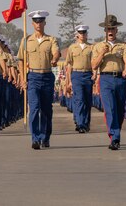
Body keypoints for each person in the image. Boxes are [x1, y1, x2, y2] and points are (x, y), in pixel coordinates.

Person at [18, 10, 59, 150]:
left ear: (45, 23)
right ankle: (35, 138)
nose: (38, 24)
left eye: (41, 21)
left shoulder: (51, 39)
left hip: (47, 76)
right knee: (34, 108)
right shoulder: (26, 41)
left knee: (46, 110)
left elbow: (56, 52)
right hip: (33, 77)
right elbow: (21, 61)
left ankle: (45, 137)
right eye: (36, 21)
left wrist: (54, 59)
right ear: (32, 24)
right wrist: (23, 79)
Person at [91, 14, 126, 150]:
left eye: (113, 29)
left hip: (120, 79)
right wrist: (102, 53)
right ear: (104, 31)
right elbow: (94, 65)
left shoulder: (124, 45)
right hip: (106, 79)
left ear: (116, 30)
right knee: (110, 109)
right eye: (108, 29)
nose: (110, 32)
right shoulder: (98, 46)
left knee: (120, 110)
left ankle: (116, 131)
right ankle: (115, 137)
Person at [65, 25, 94, 133]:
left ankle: (86, 123)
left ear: (86, 34)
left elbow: (94, 63)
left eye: (84, 33)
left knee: (87, 100)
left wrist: (95, 74)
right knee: (80, 99)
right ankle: (80, 123)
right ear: (77, 34)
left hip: (88, 74)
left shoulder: (91, 47)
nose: (82, 35)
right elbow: (69, 65)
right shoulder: (72, 48)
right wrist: (68, 81)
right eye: (80, 33)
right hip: (76, 74)